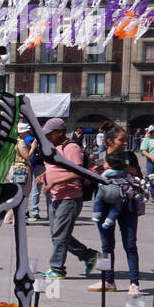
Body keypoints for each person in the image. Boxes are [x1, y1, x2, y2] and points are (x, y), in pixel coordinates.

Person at [41, 118, 100, 281]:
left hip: (69, 197)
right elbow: (56, 168)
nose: (46, 136)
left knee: (60, 234)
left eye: (49, 133)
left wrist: (54, 182)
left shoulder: (72, 147)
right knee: (57, 234)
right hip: (55, 196)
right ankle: (88, 255)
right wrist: (44, 175)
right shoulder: (55, 147)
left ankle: (57, 268)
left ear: (59, 132)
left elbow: (79, 171)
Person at [88, 125, 143, 297]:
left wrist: (129, 170)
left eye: (126, 139)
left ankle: (134, 283)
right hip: (105, 204)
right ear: (109, 141)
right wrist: (96, 172)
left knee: (130, 244)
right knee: (106, 245)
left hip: (127, 204)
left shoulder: (130, 156)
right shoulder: (99, 157)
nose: (125, 143)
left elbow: (140, 178)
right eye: (122, 140)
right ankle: (108, 280)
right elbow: (91, 180)